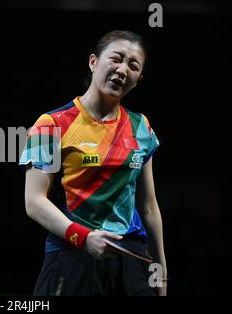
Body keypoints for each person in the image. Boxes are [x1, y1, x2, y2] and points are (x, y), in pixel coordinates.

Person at [20, 30, 167, 296]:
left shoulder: (141, 127)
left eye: (133, 66)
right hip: (72, 253)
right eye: (116, 58)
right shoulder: (51, 125)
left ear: (139, 78)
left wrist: (161, 275)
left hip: (130, 258)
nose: (123, 69)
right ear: (93, 62)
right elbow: (34, 201)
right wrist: (83, 237)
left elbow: (148, 206)